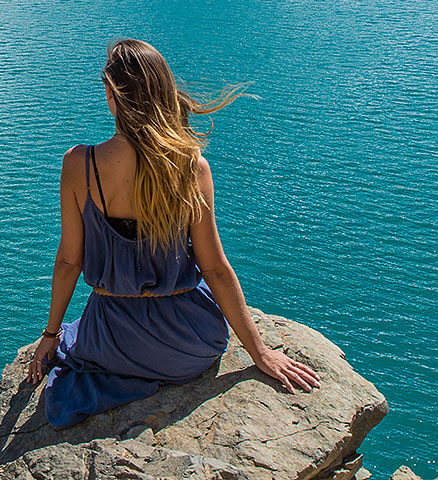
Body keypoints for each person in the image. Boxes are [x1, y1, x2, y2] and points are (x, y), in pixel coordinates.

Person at [22, 39, 321, 428]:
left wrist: (49, 335)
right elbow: (215, 270)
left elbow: (68, 262)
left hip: (113, 344)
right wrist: (260, 352)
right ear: (164, 92)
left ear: (111, 94)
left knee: (73, 339)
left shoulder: (80, 164)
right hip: (191, 346)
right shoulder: (192, 167)